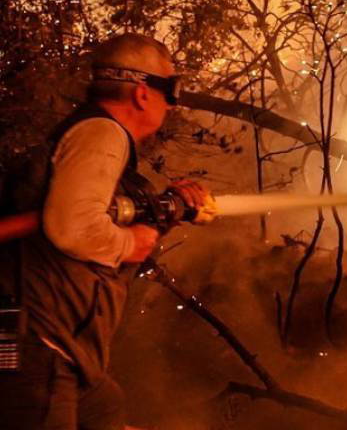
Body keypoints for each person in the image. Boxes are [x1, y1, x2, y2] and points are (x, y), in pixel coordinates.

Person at [0, 33, 213, 429]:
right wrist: (127, 242)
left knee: (106, 407)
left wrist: (168, 210)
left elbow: (97, 217)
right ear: (142, 92)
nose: (172, 102)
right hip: (41, 350)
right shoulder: (102, 134)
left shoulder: (89, 139)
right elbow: (73, 227)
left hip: (66, 355)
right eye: (171, 88)